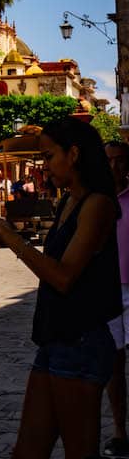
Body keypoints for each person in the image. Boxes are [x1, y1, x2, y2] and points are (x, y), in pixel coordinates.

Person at [0, 117, 122, 459]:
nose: (45, 167)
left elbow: (64, 277)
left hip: (81, 340)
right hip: (55, 339)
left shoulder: (98, 205)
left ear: (74, 154)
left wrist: (7, 234)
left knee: (79, 451)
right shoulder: (68, 202)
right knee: (28, 450)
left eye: (50, 157)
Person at [104, 140, 129, 459]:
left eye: (120, 161)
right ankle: (119, 431)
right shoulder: (95, 200)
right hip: (108, 291)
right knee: (114, 365)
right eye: (108, 160)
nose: (114, 167)